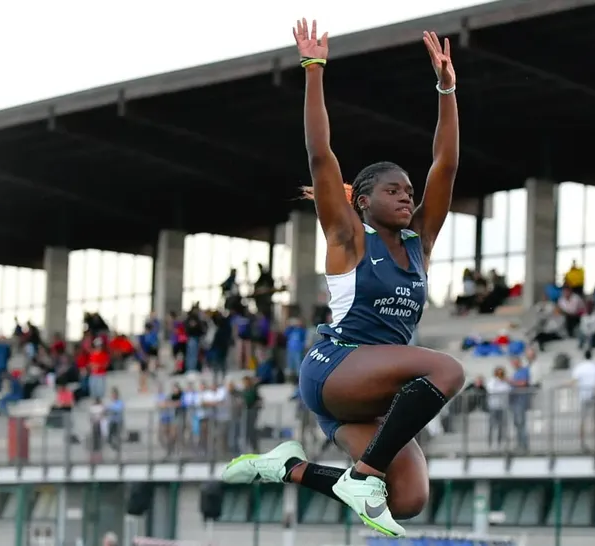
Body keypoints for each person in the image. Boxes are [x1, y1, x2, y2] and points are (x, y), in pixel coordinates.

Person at [221, 21, 462, 539]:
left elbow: (445, 163)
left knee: (411, 499)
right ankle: (366, 476)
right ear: (363, 201)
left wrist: (447, 89)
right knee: (447, 371)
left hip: (373, 394)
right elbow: (320, 155)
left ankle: (288, 468)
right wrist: (313, 70)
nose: (406, 196)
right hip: (336, 371)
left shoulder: (421, 243)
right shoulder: (349, 238)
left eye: (409, 190)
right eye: (393, 190)